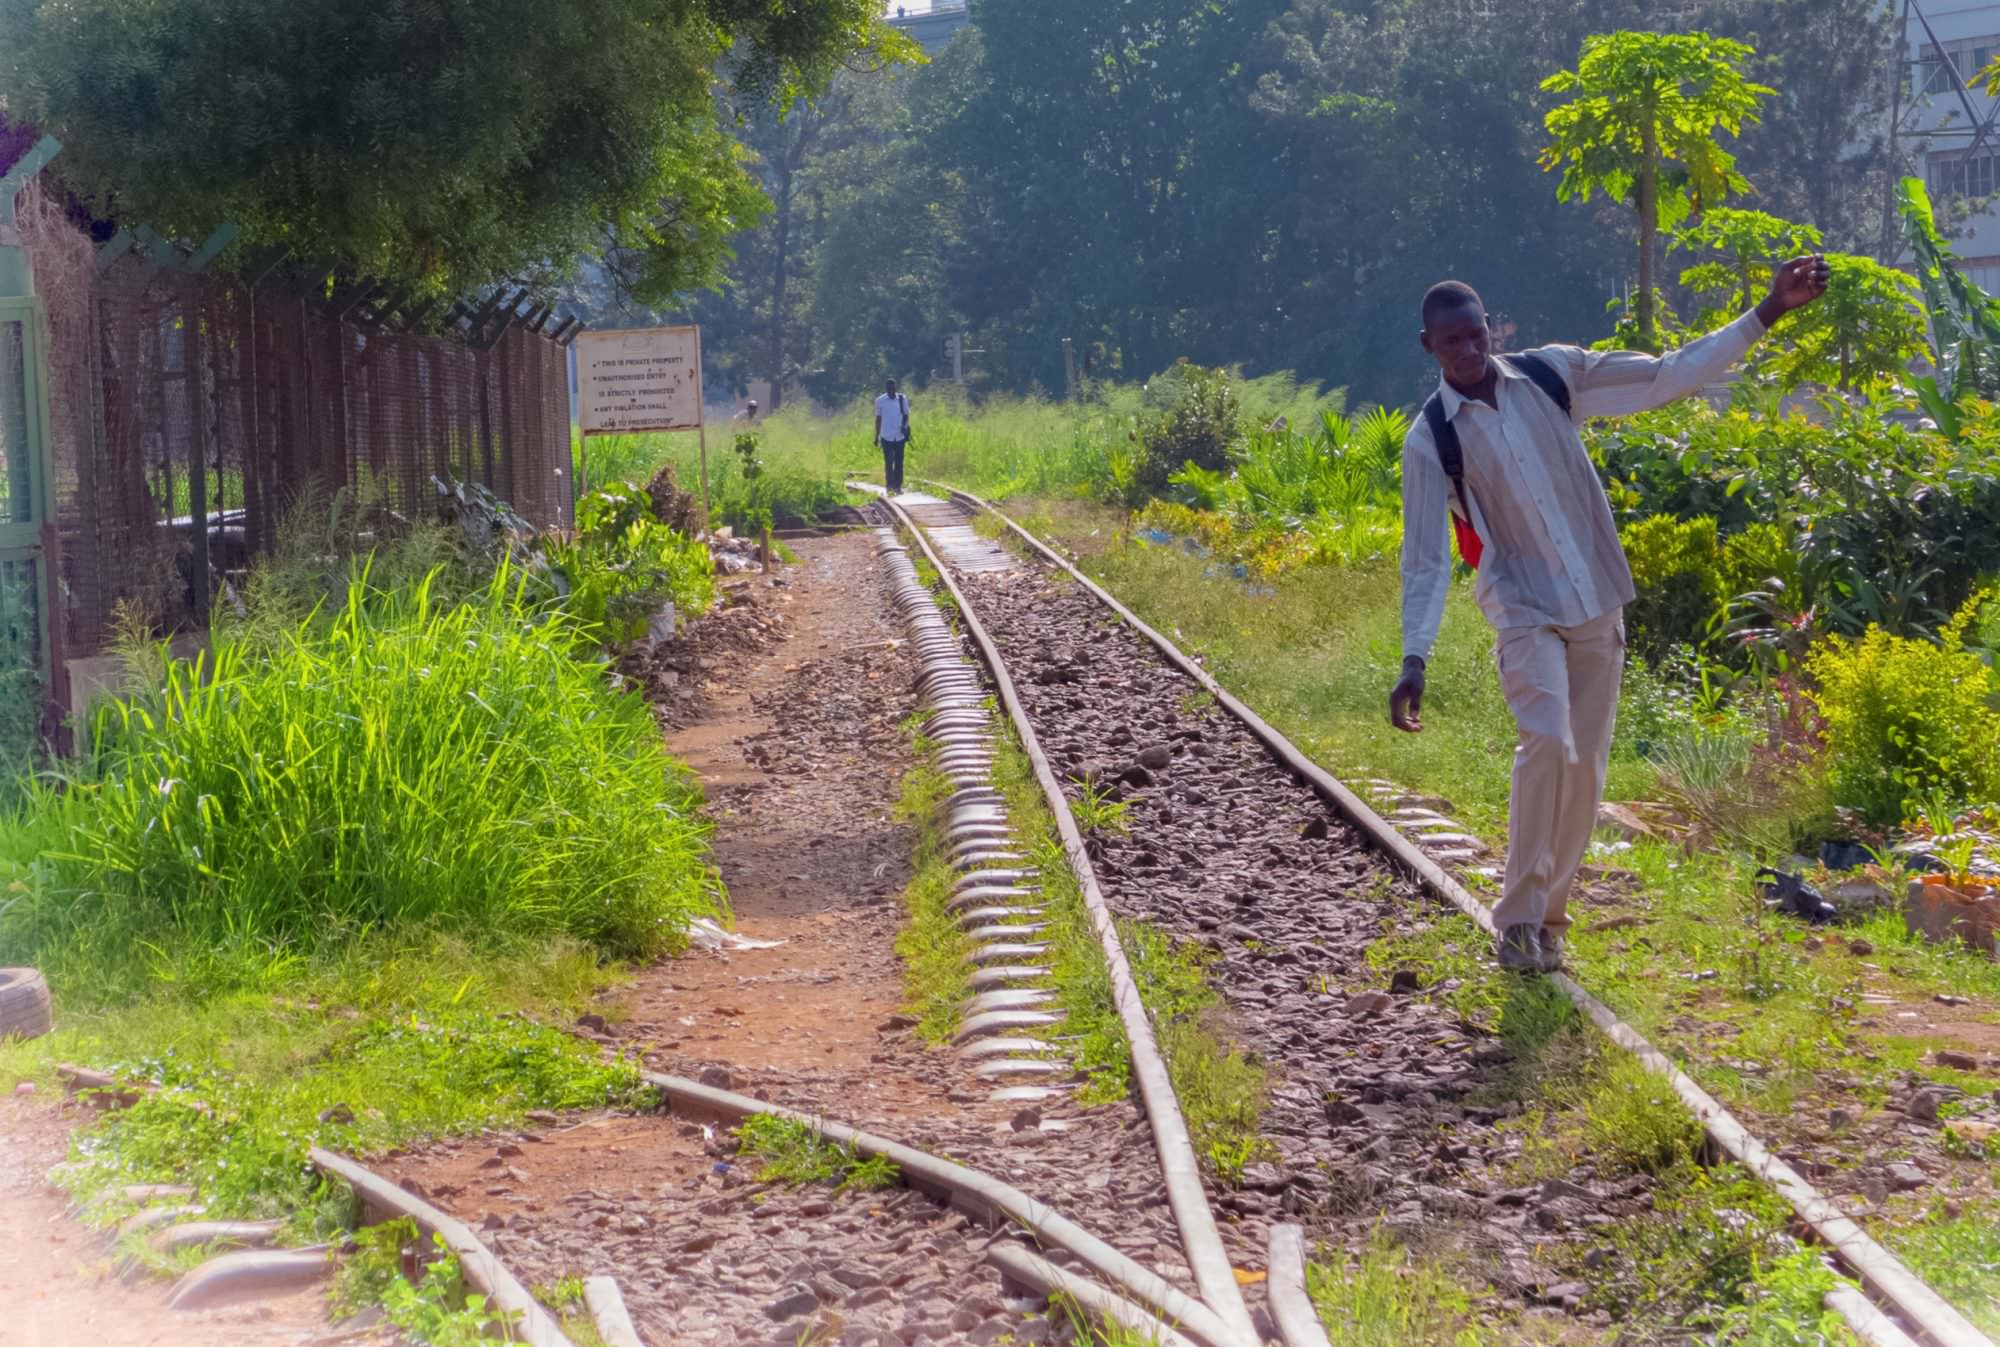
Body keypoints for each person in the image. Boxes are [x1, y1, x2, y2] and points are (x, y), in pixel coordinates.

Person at [1389, 257, 1830, 972]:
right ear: (1428, 347)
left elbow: (1666, 375)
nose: (1469, 352)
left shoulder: (1551, 375)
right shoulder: (1431, 436)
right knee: (1547, 744)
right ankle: (1517, 920)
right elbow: (1425, 557)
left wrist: (1768, 312)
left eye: (1476, 336)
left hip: (1597, 596)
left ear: (1489, 328)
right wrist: (1416, 656)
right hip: (1524, 608)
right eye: (1452, 344)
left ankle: (1550, 919)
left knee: (1587, 771)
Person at [874, 379, 913, 494]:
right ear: (886, 389)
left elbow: (906, 414)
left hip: (900, 436)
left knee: (899, 462)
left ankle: (898, 486)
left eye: (893, 388)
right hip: (886, 436)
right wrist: (876, 437)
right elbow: (878, 419)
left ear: (896, 388)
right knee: (889, 461)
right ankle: (889, 485)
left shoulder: (902, 399)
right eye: (889, 388)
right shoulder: (880, 401)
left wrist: (904, 426)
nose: (891, 390)